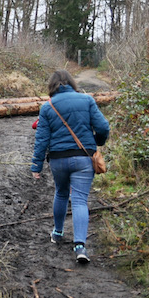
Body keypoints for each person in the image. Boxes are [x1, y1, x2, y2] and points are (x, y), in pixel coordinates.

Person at [30, 70, 110, 264]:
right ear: (72, 84)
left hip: (58, 160)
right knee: (80, 200)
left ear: (52, 86)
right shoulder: (87, 100)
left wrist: (36, 166)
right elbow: (103, 128)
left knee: (61, 193)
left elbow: (42, 140)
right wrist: (96, 143)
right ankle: (80, 247)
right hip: (84, 158)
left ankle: (57, 233)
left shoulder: (47, 107)